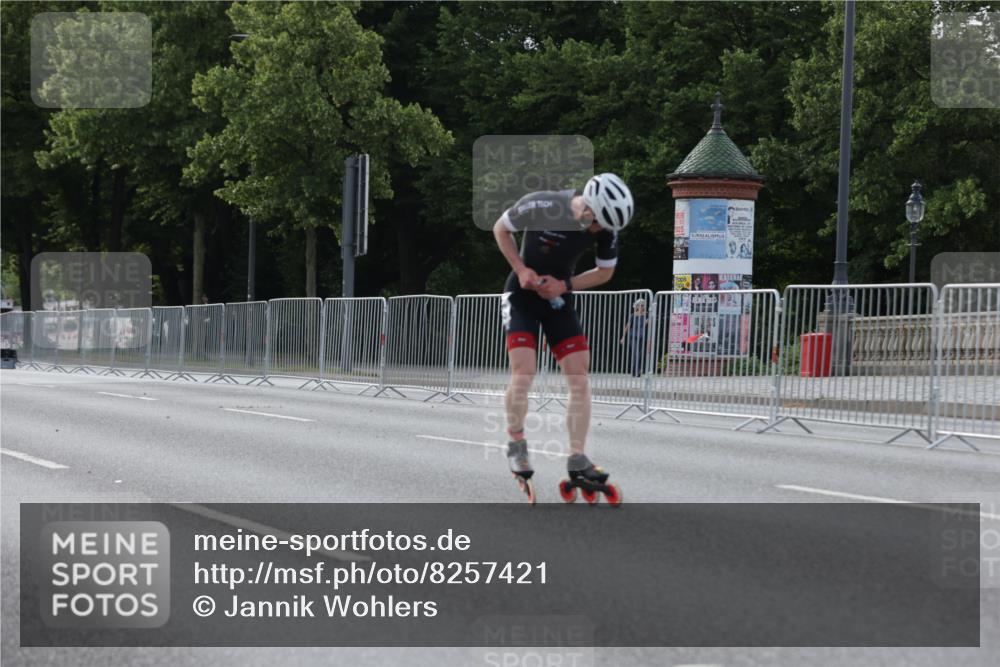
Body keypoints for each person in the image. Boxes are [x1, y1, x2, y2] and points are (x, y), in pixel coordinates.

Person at [492, 172, 634, 490]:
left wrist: (565, 285)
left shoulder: (607, 226)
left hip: (557, 296)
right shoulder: (542, 204)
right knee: (524, 371)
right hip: (521, 294)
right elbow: (501, 229)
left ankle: (577, 458)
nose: (600, 231)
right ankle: (516, 445)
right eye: (598, 223)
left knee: (579, 374)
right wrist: (521, 269)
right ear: (588, 208)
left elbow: (605, 272)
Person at [619, 298, 648, 377]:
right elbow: (627, 326)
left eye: (642, 305)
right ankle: (636, 371)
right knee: (636, 354)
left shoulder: (646, 315)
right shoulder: (632, 315)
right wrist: (623, 337)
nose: (641, 307)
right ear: (636, 306)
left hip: (642, 338)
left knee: (640, 355)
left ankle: (636, 371)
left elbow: (647, 325)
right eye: (639, 305)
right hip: (633, 337)